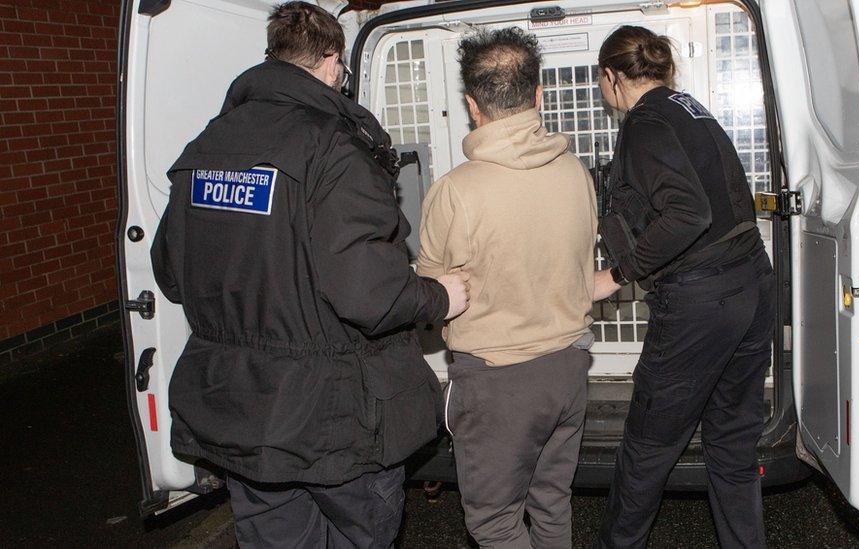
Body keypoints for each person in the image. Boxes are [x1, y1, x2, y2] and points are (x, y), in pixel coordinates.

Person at [150, 2, 470, 547]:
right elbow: (369, 295)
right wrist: (440, 296)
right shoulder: (335, 146)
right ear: (331, 62)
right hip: (334, 419)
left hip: (241, 410)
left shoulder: (206, 145)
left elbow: (171, 273)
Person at [592, 26, 774, 549]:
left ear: (612, 77)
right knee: (733, 447)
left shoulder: (644, 124)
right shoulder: (691, 110)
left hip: (700, 301)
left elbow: (687, 214)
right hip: (750, 285)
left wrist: (615, 276)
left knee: (647, 450)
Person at [416, 27, 597, 548]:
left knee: (494, 522)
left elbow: (431, 292)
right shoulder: (575, 172)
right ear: (538, 96)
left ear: (472, 106)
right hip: (568, 369)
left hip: (498, 383)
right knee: (551, 505)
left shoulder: (455, 191)